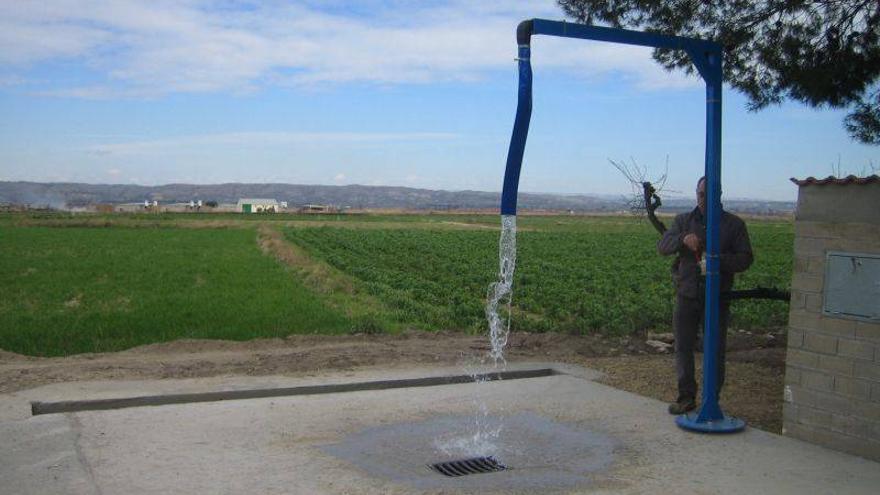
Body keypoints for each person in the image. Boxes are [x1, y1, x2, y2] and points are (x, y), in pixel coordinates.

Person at [657, 176, 753, 414]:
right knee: (683, 347)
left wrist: (718, 262)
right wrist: (682, 239)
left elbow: (745, 258)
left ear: (719, 195)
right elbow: (663, 246)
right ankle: (686, 397)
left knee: (715, 349)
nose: (704, 199)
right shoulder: (683, 221)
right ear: (696, 194)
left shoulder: (733, 225)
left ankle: (712, 399)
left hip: (717, 297)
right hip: (687, 295)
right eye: (701, 194)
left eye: (709, 195)